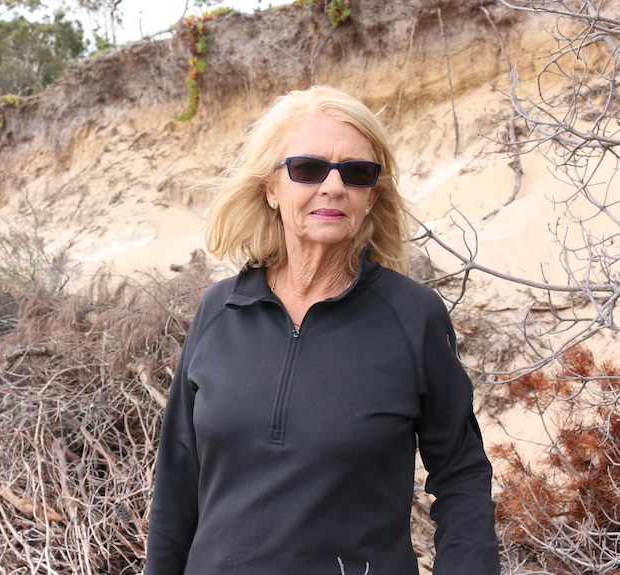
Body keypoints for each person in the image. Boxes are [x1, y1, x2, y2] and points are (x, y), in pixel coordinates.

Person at [144, 86, 500, 574]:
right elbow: (176, 483)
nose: (333, 186)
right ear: (271, 188)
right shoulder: (219, 310)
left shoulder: (413, 317)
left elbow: (461, 474)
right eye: (308, 169)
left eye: (356, 173)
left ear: (371, 198)